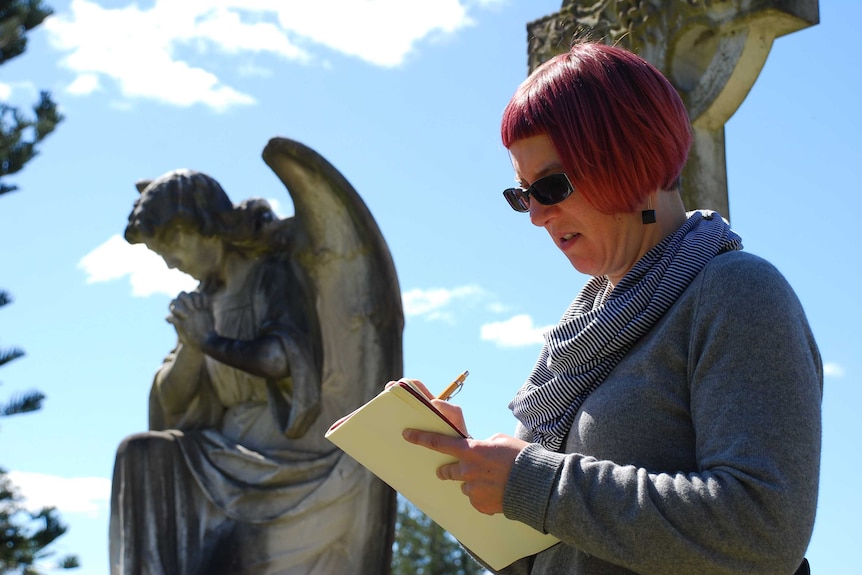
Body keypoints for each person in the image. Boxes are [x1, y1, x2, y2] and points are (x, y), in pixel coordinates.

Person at [398, 42, 821, 575]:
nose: (535, 216)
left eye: (551, 185)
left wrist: (534, 483)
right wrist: (463, 466)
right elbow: (547, 552)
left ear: (631, 157)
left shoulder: (737, 293)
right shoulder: (583, 335)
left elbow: (763, 533)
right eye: (522, 194)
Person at [110, 169, 381, 574]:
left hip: (286, 462)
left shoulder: (271, 275)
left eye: (171, 244)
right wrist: (189, 346)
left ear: (202, 225)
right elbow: (168, 405)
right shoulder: (205, 298)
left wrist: (211, 342)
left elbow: (283, 359)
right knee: (139, 453)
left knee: (219, 562)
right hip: (223, 454)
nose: (169, 262)